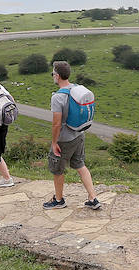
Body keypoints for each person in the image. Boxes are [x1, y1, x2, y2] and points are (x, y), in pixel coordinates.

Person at [43, 61, 101, 210]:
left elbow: (56, 123)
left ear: (57, 76)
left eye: (53, 74)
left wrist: (54, 142)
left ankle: (59, 200)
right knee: (80, 165)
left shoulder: (57, 97)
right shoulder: (77, 89)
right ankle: (93, 198)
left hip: (64, 140)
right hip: (79, 134)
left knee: (58, 170)